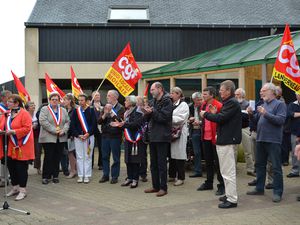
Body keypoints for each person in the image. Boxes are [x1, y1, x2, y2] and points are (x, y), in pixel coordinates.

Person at [200, 80, 242, 209]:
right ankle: (229, 195)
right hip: (224, 140)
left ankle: (232, 199)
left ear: (229, 91)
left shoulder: (232, 103)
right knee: (225, 171)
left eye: (222, 90)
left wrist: (206, 114)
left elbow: (221, 119)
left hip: (228, 141)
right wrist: (214, 114)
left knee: (228, 172)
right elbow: (223, 119)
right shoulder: (229, 103)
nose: (220, 92)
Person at [247, 82, 286, 203]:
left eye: (263, 91)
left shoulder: (280, 104)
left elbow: (280, 120)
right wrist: (250, 115)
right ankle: (259, 188)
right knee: (259, 165)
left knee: (276, 167)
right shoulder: (263, 104)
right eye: (261, 91)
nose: (261, 92)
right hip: (261, 139)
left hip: (273, 140)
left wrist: (266, 113)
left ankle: (277, 192)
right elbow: (257, 120)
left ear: (272, 92)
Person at [143, 82, 173, 197]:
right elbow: (147, 119)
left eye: (153, 89)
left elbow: (164, 118)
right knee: (153, 164)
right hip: (153, 136)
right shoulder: (152, 102)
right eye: (151, 90)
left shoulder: (167, 101)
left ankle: (163, 188)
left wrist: (153, 111)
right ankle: (155, 186)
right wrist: (146, 112)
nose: (151, 92)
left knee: (161, 164)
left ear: (160, 89)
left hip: (162, 136)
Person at [4, 94, 34, 200]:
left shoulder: (24, 113)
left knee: (21, 168)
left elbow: (27, 128)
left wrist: (14, 131)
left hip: (23, 145)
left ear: (17, 103)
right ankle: (15, 187)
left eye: (10, 102)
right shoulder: (7, 114)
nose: (7, 103)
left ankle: (22, 190)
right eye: (8, 101)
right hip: (12, 145)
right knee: (12, 167)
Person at [111, 95, 143, 188]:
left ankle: (135, 179)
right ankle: (129, 177)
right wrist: (119, 125)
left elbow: (135, 124)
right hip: (128, 139)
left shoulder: (138, 111)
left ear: (131, 102)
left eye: (126, 101)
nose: (124, 102)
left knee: (135, 160)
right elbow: (126, 125)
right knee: (128, 159)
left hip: (135, 139)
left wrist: (122, 125)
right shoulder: (126, 112)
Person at [197, 86, 224, 196]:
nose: (203, 96)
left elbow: (221, 120)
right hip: (205, 137)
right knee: (208, 162)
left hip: (215, 138)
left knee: (218, 163)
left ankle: (222, 185)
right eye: (203, 94)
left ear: (212, 95)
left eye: (205, 94)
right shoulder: (203, 105)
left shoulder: (219, 105)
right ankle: (209, 182)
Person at [39, 92, 70, 184]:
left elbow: (67, 122)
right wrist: (55, 130)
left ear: (59, 100)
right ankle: (46, 176)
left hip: (61, 138)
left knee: (57, 157)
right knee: (48, 157)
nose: (55, 101)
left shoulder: (63, 110)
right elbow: (43, 121)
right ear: (49, 100)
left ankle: (55, 176)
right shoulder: (45, 109)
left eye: (56, 99)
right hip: (48, 137)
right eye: (53, 99)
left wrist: (63, 131)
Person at [98, 90, 125, 184]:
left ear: (115, 97)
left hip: (115, 136)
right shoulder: (105, 107)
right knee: (105, 156)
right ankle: (105, 175)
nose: (107, 97)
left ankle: (114, 176)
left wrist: (113, 114)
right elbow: (99, 121)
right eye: (107, 95)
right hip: (105, 135)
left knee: (116, 157)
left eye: (109, 96)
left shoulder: (121, 108)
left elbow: (121, 121)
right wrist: (105, 114)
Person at [70, 93, 96, 183]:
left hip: (89, 137)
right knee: (80, 156)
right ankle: (81, 175)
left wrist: (88, 134)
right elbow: (72, 125)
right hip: (79, 138)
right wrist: (78, 135)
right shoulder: (75, 111)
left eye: (82, 100)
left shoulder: (91, 110)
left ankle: (87, 175)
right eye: (79, 100)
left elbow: (94, 124)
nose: (80, 102)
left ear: (86, 101)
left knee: (88, 156)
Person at [168, 87, 189, 186]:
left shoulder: (183, 105)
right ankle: (172, 175)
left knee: (179, 155)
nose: (170, 95)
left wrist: (168, 118)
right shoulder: (170, 104)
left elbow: (181, 118)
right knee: (171, 155)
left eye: (173, 93)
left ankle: (181, 177)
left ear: (179, 94)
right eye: (171, 93)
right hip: (170, 133)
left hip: (180, 133)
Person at [235, 88, 255, 176]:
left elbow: (248, 117)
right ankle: (233, 168)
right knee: (234, 150)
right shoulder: (233, 104)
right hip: (234, 129)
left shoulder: (248, 104)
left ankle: (250, 169)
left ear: (243, 95)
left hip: (245, 128)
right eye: (235, 94)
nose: (236, 96)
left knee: (248, 150)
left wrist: (239, 115)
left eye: (238, 94)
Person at [188, 92, 203, 178]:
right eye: (198, 100)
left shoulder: (205, 106)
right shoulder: (190, 107)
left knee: (207, 151)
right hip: (194, 130)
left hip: (204, 130)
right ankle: (198, 171)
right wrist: (189, 119)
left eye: (201, 99)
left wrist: (200, 122)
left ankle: (210, 171)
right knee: (196, 152)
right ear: (193, 100)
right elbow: (186, 118)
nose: (200, 101)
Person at [63, 93, 77, 179]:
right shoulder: (64, 110)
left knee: (71, 153)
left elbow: (74, 123)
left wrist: (72, 134)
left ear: (69, 101)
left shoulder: (75, 110)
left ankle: (73, 171)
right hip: (66, 135)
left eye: (65, 100)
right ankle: (74, 170)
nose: (63, 101)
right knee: (70, 153)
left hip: (72, 135)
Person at [25, 101, 41, 175]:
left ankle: (38, 168)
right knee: (27, 152)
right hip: (26, 137)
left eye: (34, 105)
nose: (33, 106)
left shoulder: (37, 115)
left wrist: (35, 126)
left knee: (38, 151)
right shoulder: (24, 115)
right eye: (31, 105)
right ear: (27, 107)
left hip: (36, 136)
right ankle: (26, 168)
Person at [286, 93, 300, 177]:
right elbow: (290, 114)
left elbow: (294, 114)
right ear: (296, 95)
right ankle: (295, 171)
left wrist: (296, 114)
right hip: (295, 132)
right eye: (298, 94)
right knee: (295, 152)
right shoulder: (292, 105)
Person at [0, 90, 12, 187]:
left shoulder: (12, 109)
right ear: (3, 98)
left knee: (8, 157)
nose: (10, 100)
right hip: (1, 137)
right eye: (9, 98)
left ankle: (8, 176)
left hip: (10, 137)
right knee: (2, 158)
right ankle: (3, 178)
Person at [136, 96, 148, 182]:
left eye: (136, 101)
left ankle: (143, 174)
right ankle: (135, 173)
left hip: (142, 136)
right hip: (133, 136)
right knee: (134, 156)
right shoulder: (131, 110)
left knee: (143, 156)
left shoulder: (145, 111)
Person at [91, 91, 103, 170]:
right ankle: (90, 164)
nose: (97, 96)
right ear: (92, 97)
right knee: (91, 147)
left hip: (101, 129)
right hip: (92, 128)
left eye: (98, 95)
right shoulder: (89, 106)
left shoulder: (104, 105)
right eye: (95, 95)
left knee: (101, 147)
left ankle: (101, 164)